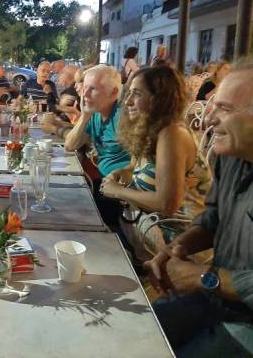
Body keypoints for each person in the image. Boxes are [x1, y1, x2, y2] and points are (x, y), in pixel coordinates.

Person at [144, 58, 253, 357]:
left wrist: (203, 277)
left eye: (225, 109)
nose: (207, 119)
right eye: (213, 105)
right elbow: (214, 218)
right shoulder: (230, 155)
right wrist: (178, 246)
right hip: (216, 299)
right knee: (136, 331)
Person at [100, 66, 212, 260]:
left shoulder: (172, 134)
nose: (127, 102)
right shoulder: (149, 131)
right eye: (129, 93)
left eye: (137, 94)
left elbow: (167, 203)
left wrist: (116, 191)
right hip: (149, 228)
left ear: (160, 99)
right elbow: (133, 168)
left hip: (180, 247)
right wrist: (121, 173)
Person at [59, 65, 131, 229]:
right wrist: (84, 116)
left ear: (113, 93)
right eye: (84, 88)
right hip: (101, 183)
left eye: (93, 89)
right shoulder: (96, 112)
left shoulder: (123, 117)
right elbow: (70, 145)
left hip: (119, 191)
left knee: (69, 210)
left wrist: (118, 184)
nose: (85, 94)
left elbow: (139, 162)